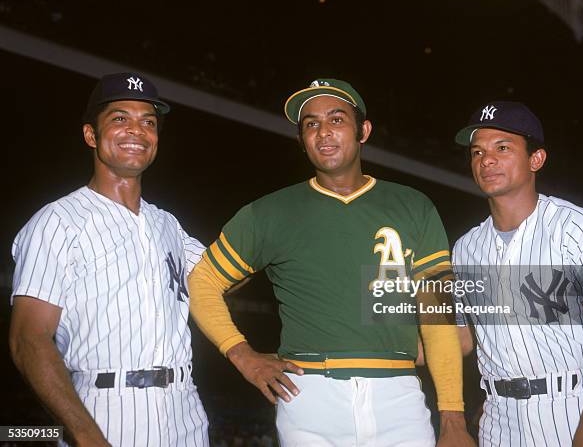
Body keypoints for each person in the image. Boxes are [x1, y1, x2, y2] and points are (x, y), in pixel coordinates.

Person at [188, 79, 475, 446]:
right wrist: (243, 355)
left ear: (363, 131)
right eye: (311, 124)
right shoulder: (269, 212)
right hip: (307, 397)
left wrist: (453, 418)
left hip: (399, 397)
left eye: (337, 120)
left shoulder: (413, 206)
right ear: (301, 139)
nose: (323, 132)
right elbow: (202, 281)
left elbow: (438, 319)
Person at [9, 73, 210, 446]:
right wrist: (86, 434)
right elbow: (28, 338)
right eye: (120, 118)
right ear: (90, 135)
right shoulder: (57, 221)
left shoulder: (166, 223)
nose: (136, 130)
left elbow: (220, 278)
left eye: (148, 122)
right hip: (106, 408)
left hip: (185, 409)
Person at [452, 101, 583, 446]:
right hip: (497, 419)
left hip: (570, 410)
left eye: (503, 148)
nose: (486, 160)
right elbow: (459, 341)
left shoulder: (580, 228)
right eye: (477, 152)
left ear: (535, 159)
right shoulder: (465, 248)